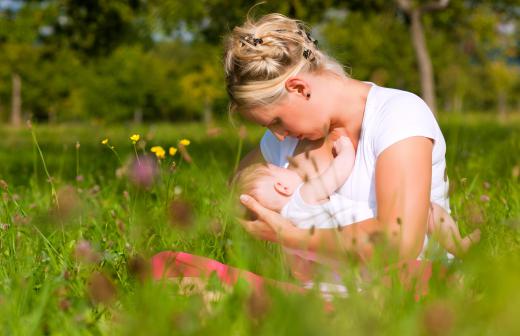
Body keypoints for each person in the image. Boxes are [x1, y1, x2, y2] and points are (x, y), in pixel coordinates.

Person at [224, 13, 479, 262]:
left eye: (276, 122)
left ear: (300, 89)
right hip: (314, 294)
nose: (278, 136)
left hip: (406, 288)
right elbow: (236, 188)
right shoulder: (285, 140)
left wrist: (291, 236)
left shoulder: (397, 115)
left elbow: (399, 243)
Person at [235, 136, 480, 258]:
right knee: (426, 208)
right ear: (281, 186)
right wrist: (345, 149)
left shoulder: (288, 222)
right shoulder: (303, 197)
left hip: (357, 254)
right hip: (381, 232)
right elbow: (339, 171)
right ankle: (458, 245)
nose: (288, 168)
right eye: (282, 169)